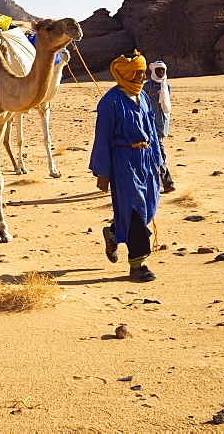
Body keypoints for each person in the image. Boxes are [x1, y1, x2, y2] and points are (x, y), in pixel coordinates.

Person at [89, 51, 164, 282]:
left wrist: (159, 161)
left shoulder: (142, 97)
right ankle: (138, 264)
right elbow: (102, 136)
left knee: (148, 208)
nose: (143, 77)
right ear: (127, 74)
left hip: (147, 158)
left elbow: (152, 129)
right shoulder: (110, 102)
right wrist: (103, 172)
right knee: (133, 210)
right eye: (139, 73)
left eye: (143, 72)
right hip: (124, 161)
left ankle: (113, 233)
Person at [144, 61, 175, 193]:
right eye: (158, 70)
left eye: (162, 70)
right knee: (159, 154)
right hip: (149, 126)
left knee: (156, 154)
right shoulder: (147, 87)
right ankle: (167, 183)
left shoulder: (166, 86)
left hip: (161, 126)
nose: (161, 72)